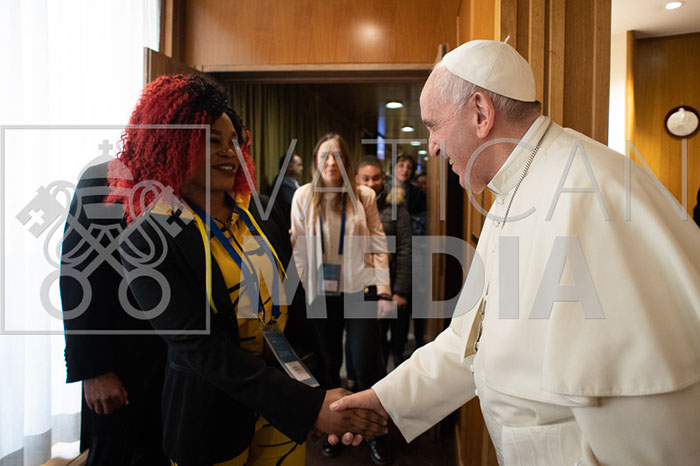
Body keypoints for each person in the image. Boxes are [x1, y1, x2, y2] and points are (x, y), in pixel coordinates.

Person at [329, 39, 700, 464]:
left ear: (481, 113)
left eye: (434, 125)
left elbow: (647, 413)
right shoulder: (511, 189)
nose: (431, 147)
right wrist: (384, 400)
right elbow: (470, 343)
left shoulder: (594, 194)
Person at [109, 74, 386, 466]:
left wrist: (316, 390)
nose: (229, 152)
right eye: (213, 140)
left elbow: (295, 307)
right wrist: (307, 405)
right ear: (173, 143)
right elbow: (203, 349)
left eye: (234, 141)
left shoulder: (259, 211)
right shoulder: (147, 236)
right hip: (211, 417)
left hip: (283, 410)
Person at [290, 134, 394, 463]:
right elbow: (299, 248)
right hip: (321, 293)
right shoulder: (303, 195)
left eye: (337, 156)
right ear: (315, 162)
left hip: (360, 288)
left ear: (346, 161)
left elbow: (377, 241)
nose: (331, 162)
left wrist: (384, 290)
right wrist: (306, 288)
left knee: (365, 364)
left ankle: (373, 431)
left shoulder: (363, 195)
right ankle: (334, 430)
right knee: (329, 363)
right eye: (325, 156)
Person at [61, 161, 169, 466]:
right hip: (121, 371)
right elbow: (78, 275)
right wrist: (94, 371)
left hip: (175, 367)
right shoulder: (105, 178)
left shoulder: (192, 186)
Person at [355, 157, 412, 370]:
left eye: (376, 178)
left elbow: (405, 247)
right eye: (366, 178)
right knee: (362, 342)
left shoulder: (395, 204)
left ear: (383, 178)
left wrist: (400, 291)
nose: (371, 183)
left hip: (388, 281)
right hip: (358, 283)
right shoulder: (349, 203)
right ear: (356, 178)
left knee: (384, 341)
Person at [273, 153, 304, 226]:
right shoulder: (283, 184)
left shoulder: (290, 182)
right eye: (299, 165)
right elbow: (294, 207)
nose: (302, 168)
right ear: (290, 166)